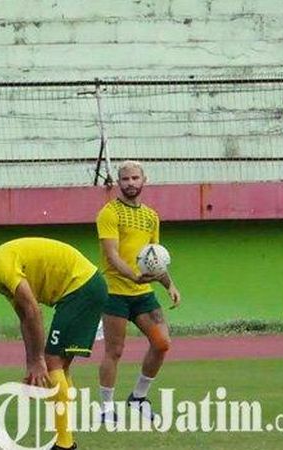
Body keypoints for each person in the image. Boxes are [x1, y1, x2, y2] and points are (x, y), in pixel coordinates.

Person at [0, 238, 107, 450]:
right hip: (83, 288)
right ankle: (65, 437)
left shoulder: (0, 264)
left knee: (52, 361)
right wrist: (31, 364)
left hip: (81, 288)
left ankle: (64, 444)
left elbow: (34, 311)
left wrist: (38, 360)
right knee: (58, 367)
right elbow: (25, 318)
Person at [96, 161, 182, 422]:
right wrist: (133, 275)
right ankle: (106, 410)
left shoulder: (151, 216)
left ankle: (138, 398)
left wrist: (169, 285)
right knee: (115, 351)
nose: (130, 183)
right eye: (125, 179)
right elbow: (111, 256)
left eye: (135, 178)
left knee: (162, 343)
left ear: (144, 180)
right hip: (114, 292)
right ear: (118, 183)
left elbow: (154, 258)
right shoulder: (109, 213)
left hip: (143, 293)